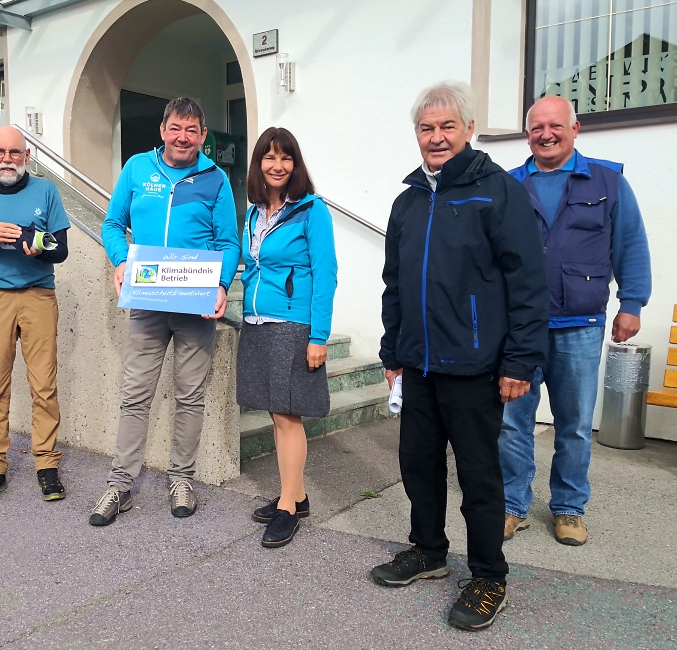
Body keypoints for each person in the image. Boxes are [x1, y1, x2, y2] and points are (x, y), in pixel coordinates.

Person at [371, 82, 548, 631]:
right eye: (427, 128)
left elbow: (527, 283)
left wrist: (520, 361)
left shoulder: (497, 192)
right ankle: (427, 551)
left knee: (478, 477)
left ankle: (489, 575)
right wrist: (392, 347)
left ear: (468, 130)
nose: (437, 137)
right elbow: (395, 283)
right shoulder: (408, 201)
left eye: (448, 126)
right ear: (417, 135)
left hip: (475, 367)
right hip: (419, 366)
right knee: (417, 466)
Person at [500, 96, 651, 547]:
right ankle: (511, 505)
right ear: (527, 134)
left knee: (575, 424)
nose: (545, 134)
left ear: (575, 128)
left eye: (555, 126)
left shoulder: (608, 181)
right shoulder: (508, 185)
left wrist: (633, 304)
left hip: (580, 326)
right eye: (536, 127)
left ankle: (568, 507)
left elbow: (630, 244)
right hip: (519, 328)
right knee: (512, 422)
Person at [91, 97, 240, 525]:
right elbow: (112, 224)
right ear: (163, 130)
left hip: (195, 304)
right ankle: (119, 485)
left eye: (192, 130)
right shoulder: (138, 168)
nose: (183, 137)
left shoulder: (215, 179)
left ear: (203, 136)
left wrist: (221, 284)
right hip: (147, 301)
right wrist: (120, 261)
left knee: (189, 397)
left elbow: (229, 242)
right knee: (135, 394)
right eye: (176, 128)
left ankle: (182, 480)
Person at [0, 125, 71, 504]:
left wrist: (38, 246)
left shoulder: (46, 191)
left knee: (44, 385)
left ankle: (47, 465)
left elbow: (61, 249)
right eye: (0, 152)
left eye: (15, 153)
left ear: (27, 157)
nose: (8, 159)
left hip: (38, 295)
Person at [237, 127, 337, 548]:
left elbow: (325, 274)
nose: (277, 165)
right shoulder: (253, 212)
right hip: (257, 323)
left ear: (296, 165)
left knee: (287, 415)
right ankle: (295, 493)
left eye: (286, 158)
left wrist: (319, 336)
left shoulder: (312, 211)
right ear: (258, 163)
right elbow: (250, 266)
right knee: (276, 413)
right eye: (269, 157)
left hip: (292, 326)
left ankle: (288, 509)